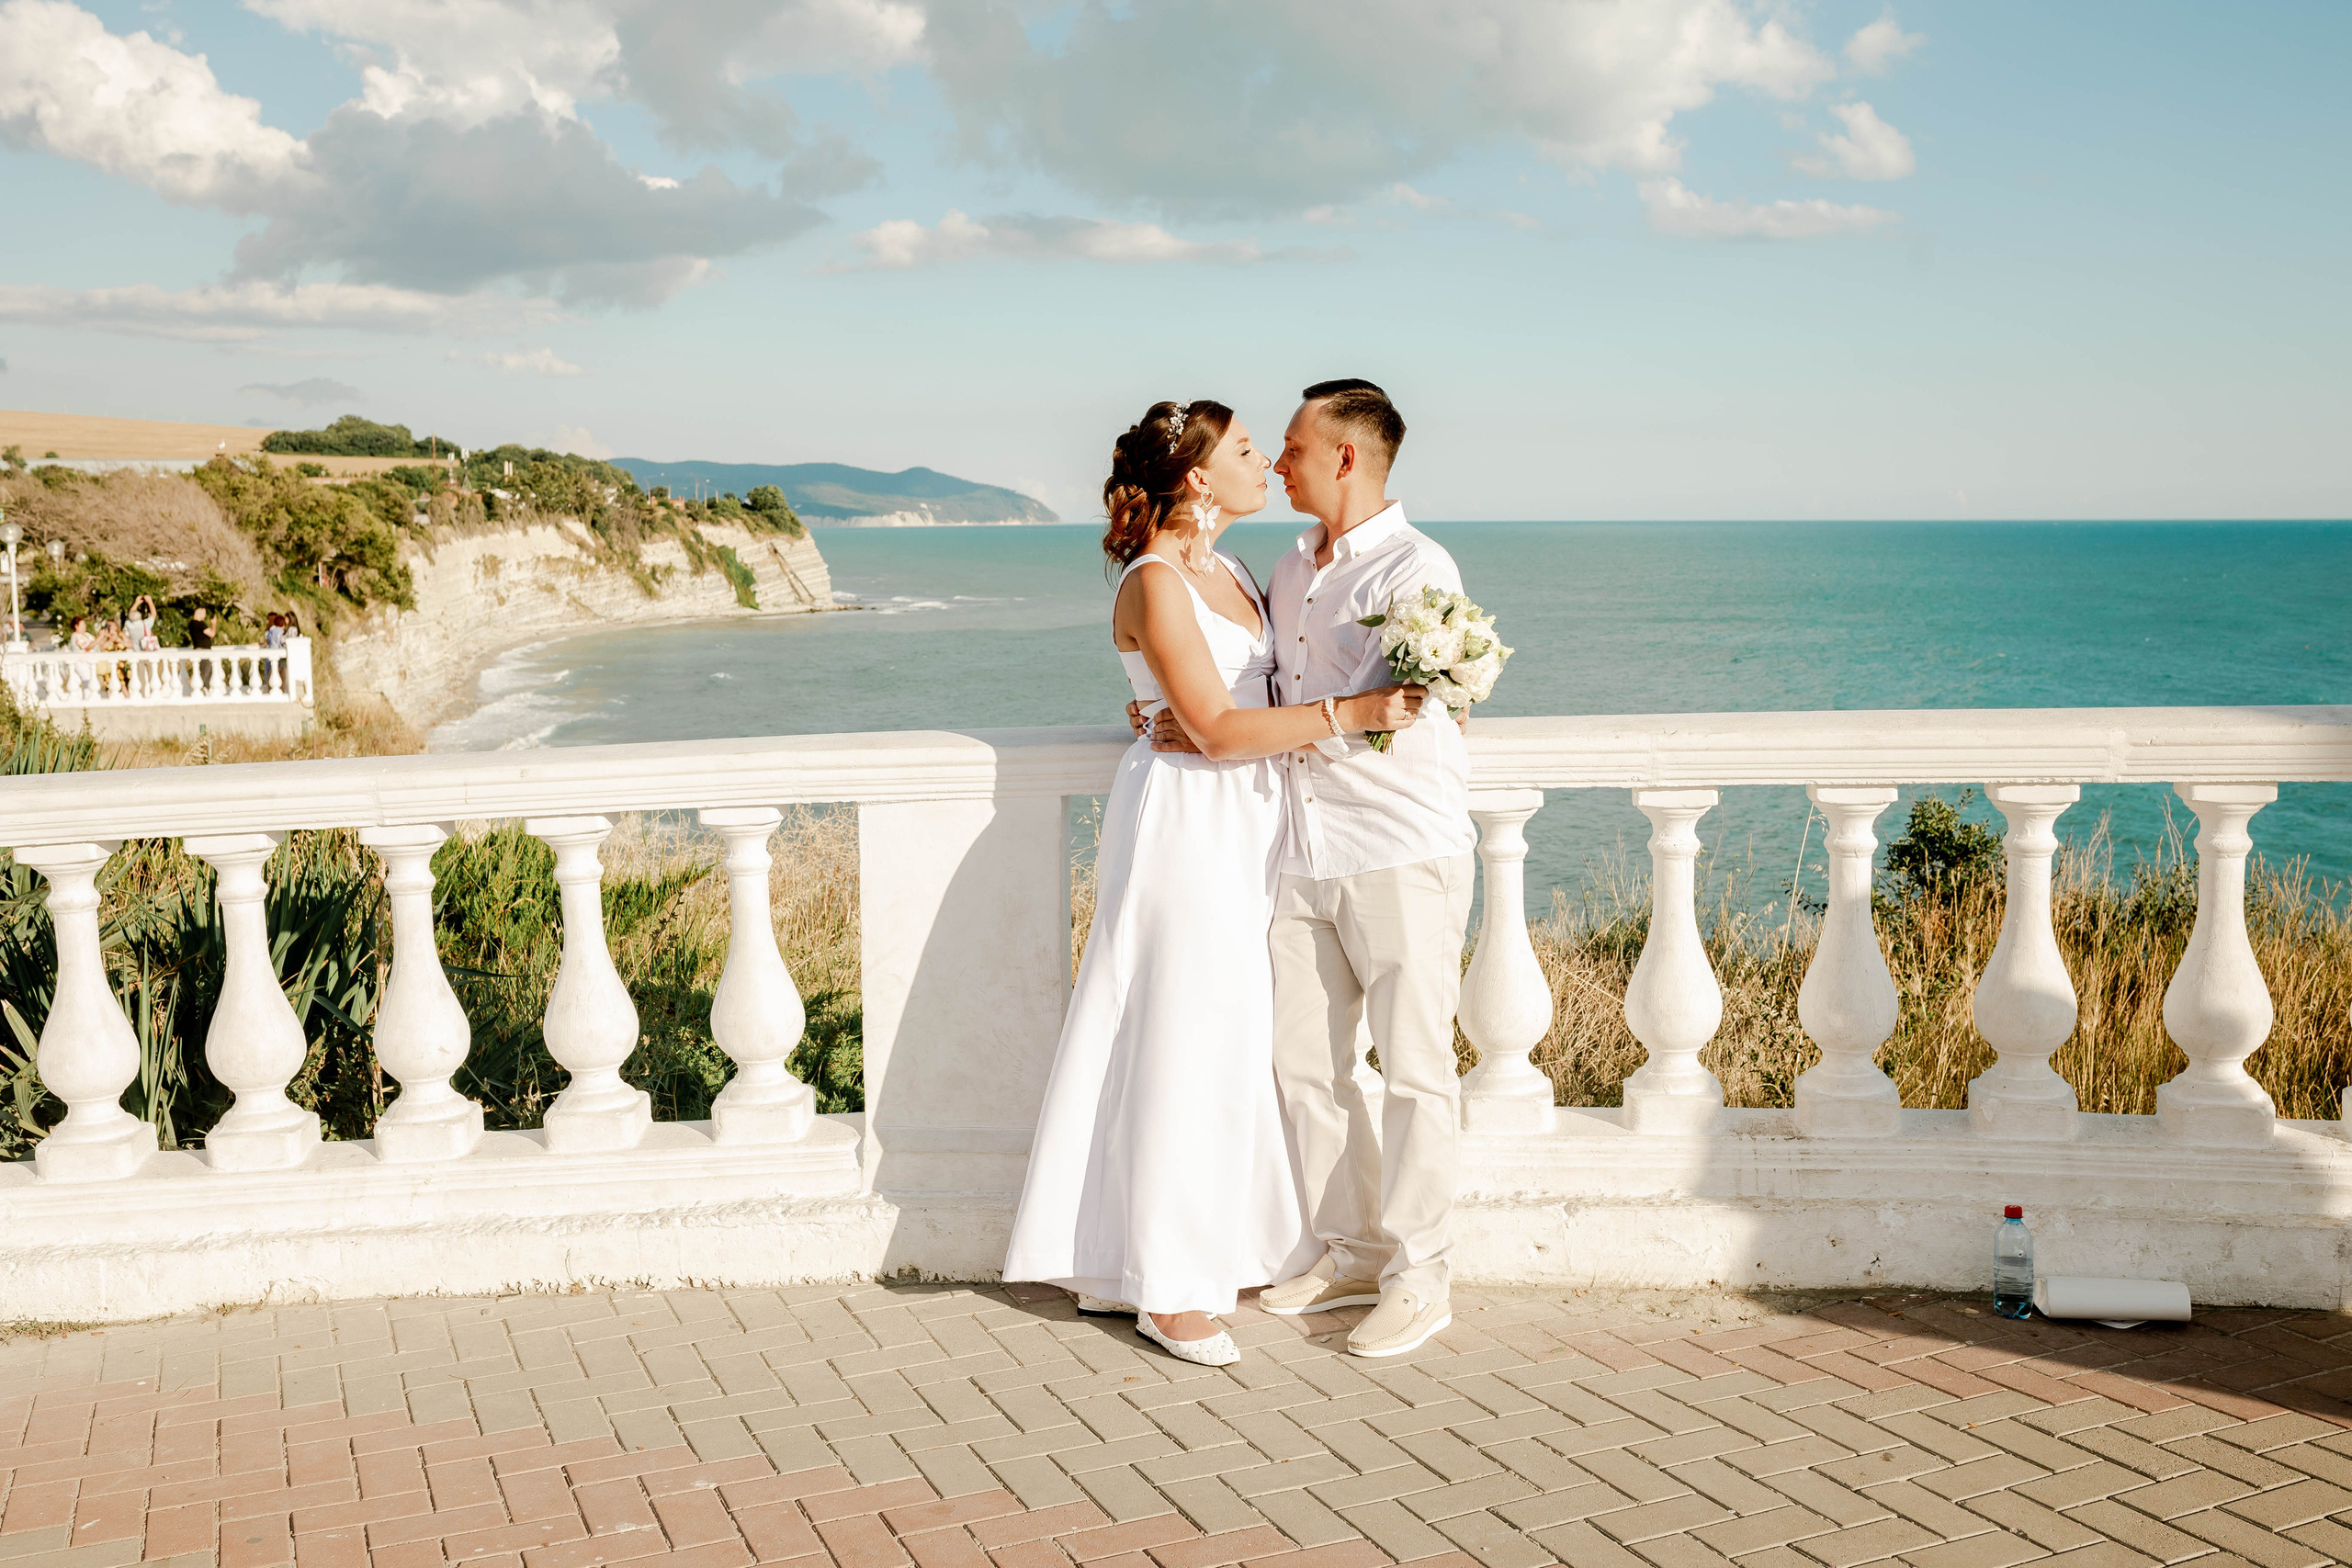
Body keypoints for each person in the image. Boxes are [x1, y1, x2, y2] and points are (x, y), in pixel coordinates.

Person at [1003, 400, 1425, 1368]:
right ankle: (1170, 1288)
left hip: (1247, 822)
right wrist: (1354, 711)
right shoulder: (1156, 580)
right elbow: (1222, 729)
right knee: (1178, 1035)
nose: (1266, 465)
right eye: (1245, 451)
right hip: (1187, 822)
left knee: (1220, 1034)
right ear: (1195, 477)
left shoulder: (1232, 570)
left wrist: (1190, 716)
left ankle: (1124, 1264)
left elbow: (1241, 704)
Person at [1140, 379, 1476, 1359]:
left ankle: (1423, 1274)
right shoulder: (1284, 569)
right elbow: (1257, 694)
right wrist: (1190, 724)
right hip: (1296, 847)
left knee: (1414, 1071)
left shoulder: (1416, 570)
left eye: (1290, 447)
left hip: (1398, 848)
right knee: (1307, 1066)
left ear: (1344, 458)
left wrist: (1244, 734)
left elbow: (1422, 711)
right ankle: (1354, 1247)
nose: (1277, 462)